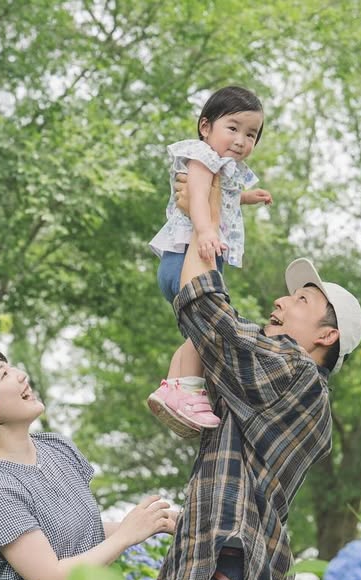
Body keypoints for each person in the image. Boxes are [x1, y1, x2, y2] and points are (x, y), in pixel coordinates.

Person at [152, 218, 361, 580]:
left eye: (302, 301)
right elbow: (206, 339)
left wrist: (203, 217)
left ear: (327, 337)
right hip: (221, 574)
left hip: (221, 579)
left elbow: (209, 314)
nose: (282, 302)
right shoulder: (277, 387)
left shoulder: (295, 374)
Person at [0, 347, 177, 580]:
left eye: (11, 366)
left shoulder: (57, 448)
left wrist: (156, 523)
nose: (21, 375)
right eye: (4, 374)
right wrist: (127, 535)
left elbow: (81, 535)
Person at [147, 86, 274, 439]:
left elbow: (225, 196)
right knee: (209, 330)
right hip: (189, 256)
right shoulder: (202, 157)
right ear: (206, 127)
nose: (241, 140)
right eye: (232, 128)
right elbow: (199, 197)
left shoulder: (223, 169)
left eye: (251, 134)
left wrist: (247, 197)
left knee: (198, 332)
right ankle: (187, 390)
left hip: (197, 258)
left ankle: (175, 387)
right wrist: (204, 231)